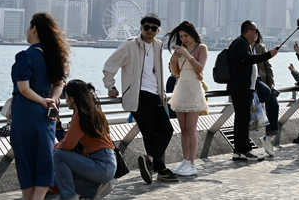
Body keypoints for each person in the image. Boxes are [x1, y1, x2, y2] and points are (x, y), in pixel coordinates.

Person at [102, 14, 177, 183]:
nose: (149, 30)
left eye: (153, 28)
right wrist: (111, 87)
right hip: (138, 95)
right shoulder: (130, 45)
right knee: (149, 132)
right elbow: (109, 65)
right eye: (146, 27)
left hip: (156, 95)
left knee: (167, 129)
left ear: (157, 31)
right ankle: (161, 169)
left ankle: (151, 161)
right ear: (141, 28)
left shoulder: (158, 45)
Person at [11, 12, 70, 200]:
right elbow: (59, 83)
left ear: (34, 29)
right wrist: (51, 99)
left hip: (24, 113)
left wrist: (42, 100)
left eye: (29, 28)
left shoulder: (25, 56)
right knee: (45, 161)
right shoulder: (54, 56)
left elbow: (24, 88)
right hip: (47, 117)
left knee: (25, 161)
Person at [53, 80, 116, 200]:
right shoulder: (92, 111)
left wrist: (55, 147)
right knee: (56, 177)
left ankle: (68, 197)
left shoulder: (80, 115)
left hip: (101, 164)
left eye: (66, 96)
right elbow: (69, 140)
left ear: (72, 98)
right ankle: (95, 189)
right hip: (107, 163)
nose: (65, 100)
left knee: (59, 155)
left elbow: (67, 145)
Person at [227, 20, 279, 161]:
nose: (257, 34)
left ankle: (238, 151)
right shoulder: (241, 44)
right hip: (241, 88)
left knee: (241, 120)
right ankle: (246, 150)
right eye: (256, 31)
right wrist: (269, 54)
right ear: (249, 31)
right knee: (243, 120)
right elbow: (248, 59)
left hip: (244, 87)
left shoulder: (243, 44)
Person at [165, 21, 208, 177]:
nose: (183, 39)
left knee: (191, 129)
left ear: (193, 34)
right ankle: (185, 160)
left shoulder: (201, 48)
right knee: (183, 130)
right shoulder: (181, 49)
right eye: (181, 36)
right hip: (181, 87)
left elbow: (200, 68)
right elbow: (176, 72)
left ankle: (192, 163)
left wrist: (188, 55)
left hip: (193, 90)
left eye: (186, 36)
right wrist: (173, 59)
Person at [252, 30, 280, 156]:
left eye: (257, 34)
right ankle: (257, 127)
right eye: (253, 33)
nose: (255, 36)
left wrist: (271, 83)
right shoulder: (242, 47)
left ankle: (269, 138)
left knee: (274, 104)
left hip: (262, 80)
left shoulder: (260, 47)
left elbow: (267, 66)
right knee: (263, 96)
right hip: (250, 81)